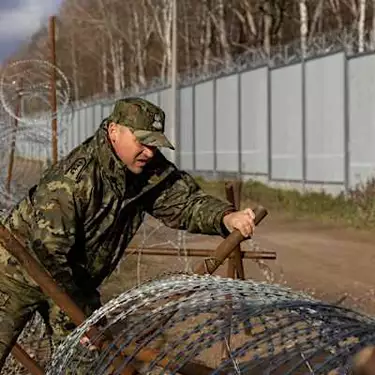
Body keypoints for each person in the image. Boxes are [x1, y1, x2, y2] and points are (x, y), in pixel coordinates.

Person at [0, 97, 257, 369]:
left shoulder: (147, 171)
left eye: (154, 144)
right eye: (142, 142)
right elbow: (48, 253)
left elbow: (183, 203)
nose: (148, 152)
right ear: (114, 131)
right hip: (17, 271)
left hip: (74, 278)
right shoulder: (74, 180)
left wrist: (226, 217)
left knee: (84, 364)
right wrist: (82, 317)